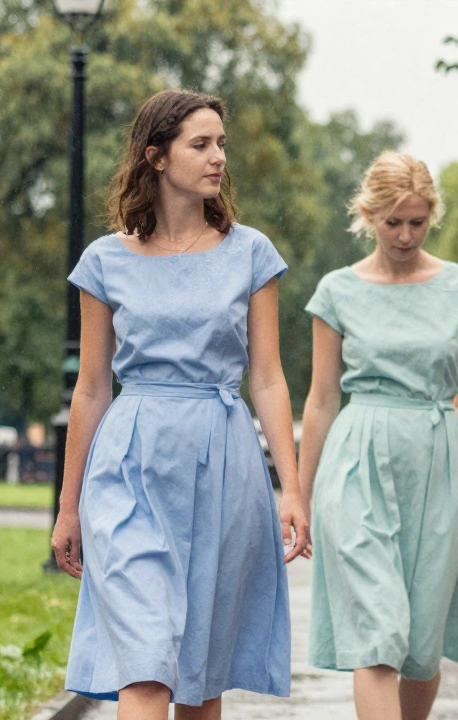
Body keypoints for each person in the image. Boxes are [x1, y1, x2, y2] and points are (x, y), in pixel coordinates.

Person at [52, 89, 309, 720]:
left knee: (199, 675)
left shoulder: (251, 253)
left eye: (221, 143)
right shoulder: (104, 261)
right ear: (157, 156)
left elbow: (267, 378)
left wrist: (292, 488)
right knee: (144, 666)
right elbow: (91, 387)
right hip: (129, 463)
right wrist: (68, 505)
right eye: (201, 144)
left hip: (221, 461)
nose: (218, 156)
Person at [298, 151, 458, 720]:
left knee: (420, 642)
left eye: (417, 221)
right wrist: (298, 492)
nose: (405, 235)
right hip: (357, 457)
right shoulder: (337, 291)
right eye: (392, 222)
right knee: (377, 628)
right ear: (368, 215)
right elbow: (321, 400)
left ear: (431, 215)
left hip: (439, 459)